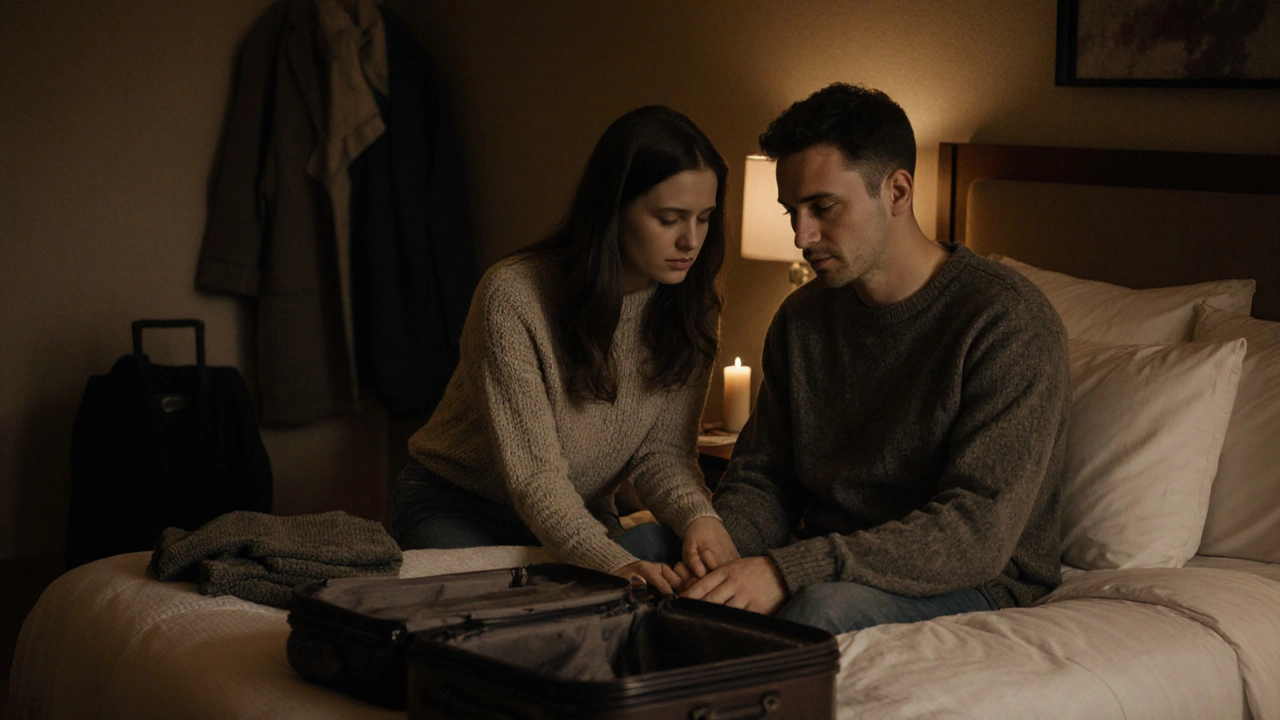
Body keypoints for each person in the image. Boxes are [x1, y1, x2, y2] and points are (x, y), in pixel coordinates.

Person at [678, 83, 1072, 634]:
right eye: (793, 211)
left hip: (977, 582)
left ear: (897, 191)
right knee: (645, 549)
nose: (802, 235)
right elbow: (764, 478)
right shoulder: (801, 319)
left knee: (817, 614)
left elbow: (974, 531)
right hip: (825, 560)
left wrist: (783, 571)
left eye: (823, 207)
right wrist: (718, 554)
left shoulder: (1008, 321)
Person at [393, 105, 739, 593]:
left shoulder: (694, 306)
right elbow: (535, 475)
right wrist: (610, 561)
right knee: (491, 612)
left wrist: (701, 518)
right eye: (669, 218)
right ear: (613, 208)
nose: (691, 240)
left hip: (579, 511)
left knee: (668, 557)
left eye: (704, 219)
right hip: (461, 504)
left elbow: (662, 455)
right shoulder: (513, 295)